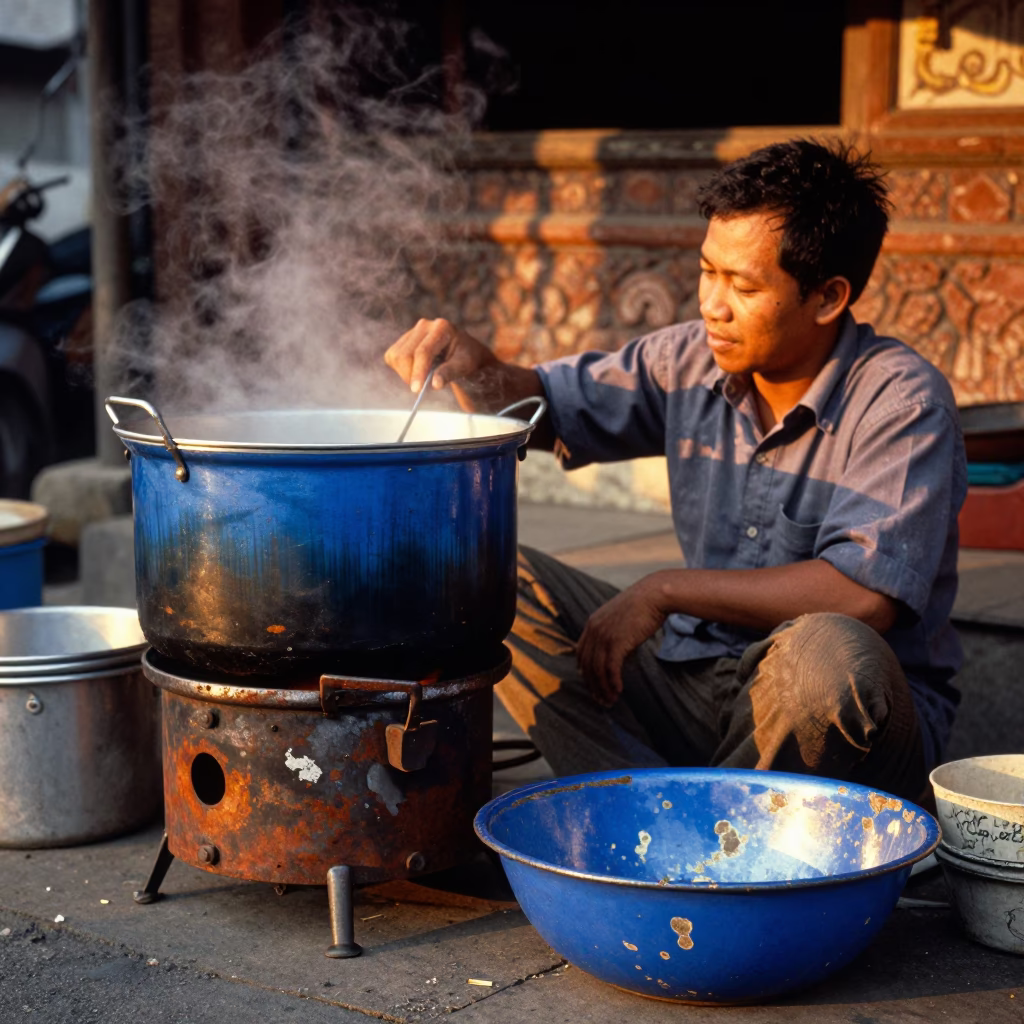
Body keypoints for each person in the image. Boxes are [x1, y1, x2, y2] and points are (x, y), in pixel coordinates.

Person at [385, 138, 966, 804]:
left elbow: (863, 597)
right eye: (707, 271)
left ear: (829, 297)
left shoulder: (902, 399)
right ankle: (639, 806)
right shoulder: (688, 356)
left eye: (744, 285)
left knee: (831, 652)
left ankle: (725, 844)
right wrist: (473, 364)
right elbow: (539, 408)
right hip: (693, 680)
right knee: (480, 565)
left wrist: (663, 590)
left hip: (842, 723)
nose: (713, 305)